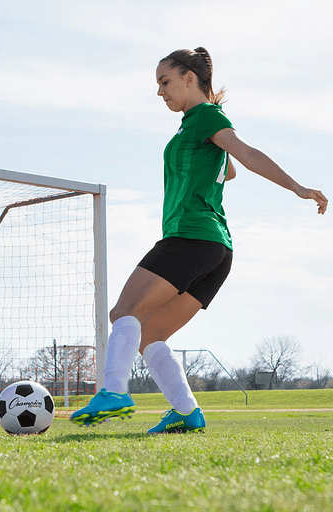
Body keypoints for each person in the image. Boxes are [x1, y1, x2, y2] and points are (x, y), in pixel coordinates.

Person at [71, 47, 327, 434]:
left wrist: (298, 188)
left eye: (165, 81)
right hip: (217, 252)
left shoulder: (206, 116)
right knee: (151, 334)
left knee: (125, 311)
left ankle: (114, 391)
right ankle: (187, 412)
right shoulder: (197, 124)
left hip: (191, 238)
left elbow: (246, 153)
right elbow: (233, 167)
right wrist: (218, 166)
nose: (160, 92)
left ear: (190, 78)